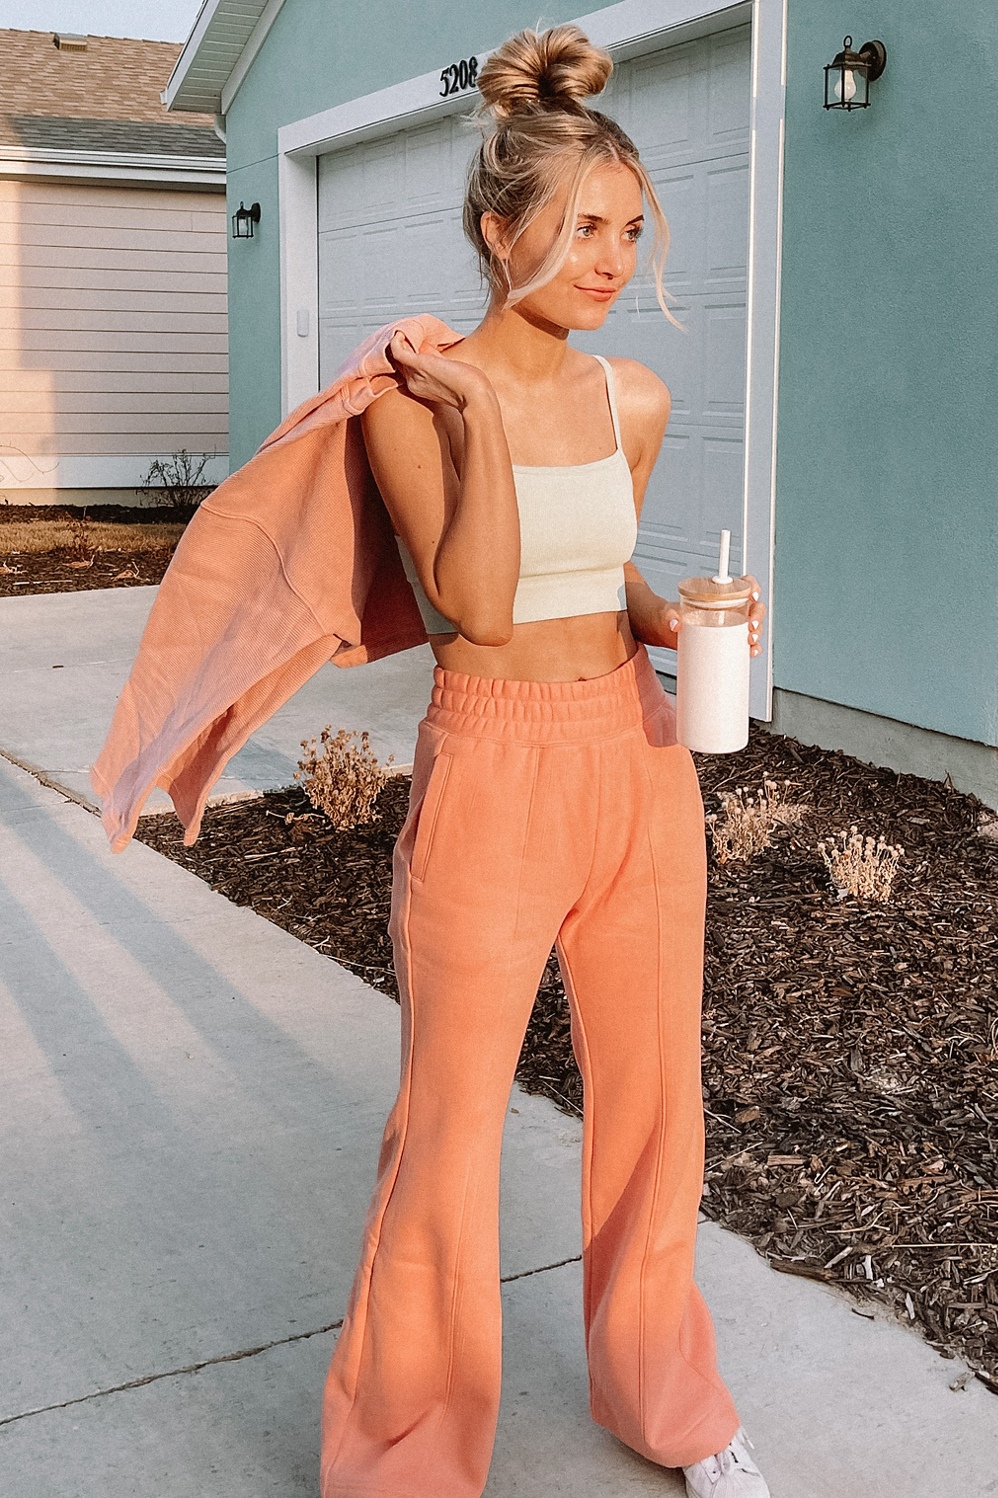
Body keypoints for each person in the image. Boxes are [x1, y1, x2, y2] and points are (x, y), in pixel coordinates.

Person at [320, 24, 769, 1498]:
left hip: (636, 755)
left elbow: (600, 576)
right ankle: (404, 1455)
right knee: (447, 1128)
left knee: (654, 1105)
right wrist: (480, 418)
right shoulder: (411, 404)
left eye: (630, 229)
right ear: (494, 227)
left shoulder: (628, 399)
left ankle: (671, 1407)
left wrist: (682, 618)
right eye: (582, 227)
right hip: (492, 773)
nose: (612, 260)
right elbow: (480, 604)